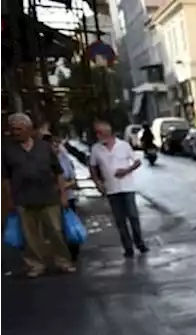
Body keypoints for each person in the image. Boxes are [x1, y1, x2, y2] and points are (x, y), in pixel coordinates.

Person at [0, 113, 75, 278]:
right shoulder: (8, 150)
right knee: (30, 235)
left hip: (48, 196)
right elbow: (5, 177)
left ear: (29, 129)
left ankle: (63, 261)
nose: (15, 132)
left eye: (19, 129)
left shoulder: (44, 147)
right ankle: (36, 264)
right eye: (13, 129)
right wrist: (9, 198)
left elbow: (59, 173)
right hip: (23, 198)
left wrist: (63, 195)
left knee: (55, 230)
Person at [89, 120, 149, 257]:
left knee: (133, 216)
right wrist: (98, 183)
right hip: (111, 189)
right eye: (97, 133)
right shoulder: (96, 149)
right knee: (120, 220)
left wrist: (127, 170)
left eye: (99, 133)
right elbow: (92, 167)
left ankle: (140, 243)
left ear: (107, 133)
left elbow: (137, 161)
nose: (97, 136)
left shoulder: (123, 145)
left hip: (127, 188)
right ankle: (128, 248)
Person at [50, 136, 81, 261]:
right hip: (51, 200)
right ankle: (61, 253)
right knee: (56, 228)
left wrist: (63, 186)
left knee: (70, 225)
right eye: (53, 145)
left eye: (57, 144)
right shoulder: (45, 160)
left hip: (68, 197)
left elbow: (73, 180)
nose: (56, 147)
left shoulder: (64, 158)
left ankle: (73, 251)